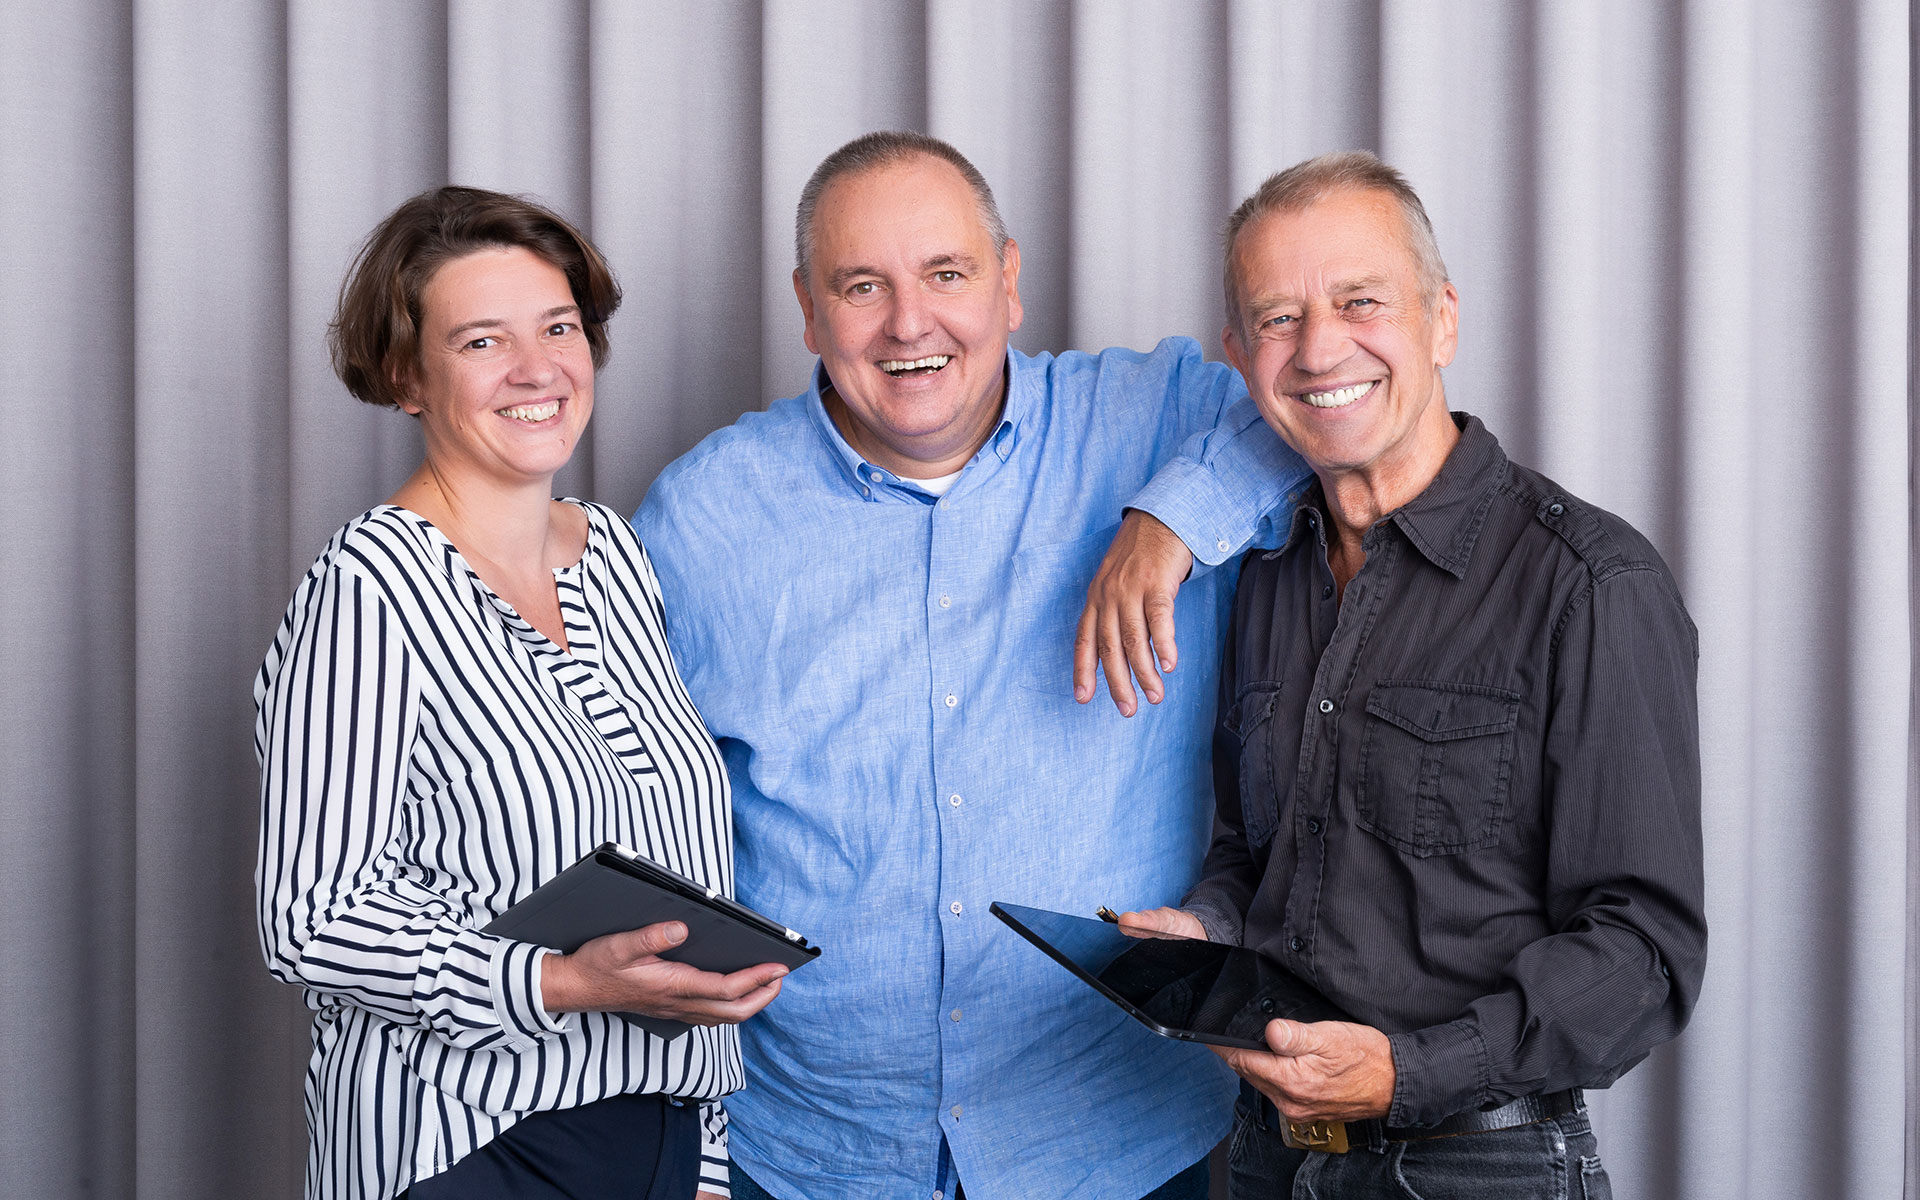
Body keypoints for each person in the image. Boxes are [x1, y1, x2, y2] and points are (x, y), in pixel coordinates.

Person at [634, 132, 1311, 1200]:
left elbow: (1321, 405)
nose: (911, 323)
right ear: (808, 310)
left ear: (1009, 283)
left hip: (1107, 1139)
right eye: (863, 286)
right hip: (809, 1149)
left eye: (946, 274)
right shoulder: (699, 515)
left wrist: (1169, 518)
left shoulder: (1159, 421)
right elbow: (621, 791)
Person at [1123, 151, 1708, 1198]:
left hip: (1480, 1167)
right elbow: (1253, 858)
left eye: (1360, 302)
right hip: (1266, 1162)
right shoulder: (1264, 579)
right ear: (1238, 357)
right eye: (1277, 319)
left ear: (1442, 321)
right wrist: (1206, 929)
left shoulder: (1589, 584)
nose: (1319, 349)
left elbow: (1646, 954)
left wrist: (1404, 1072)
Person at [255, 186, 787, 1200]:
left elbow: (679, 861)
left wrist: (706, 1158)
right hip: (468, 1145)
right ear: (408, 375)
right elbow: (310, 916)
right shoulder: (369, 585)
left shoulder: (616, 555)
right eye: (482, 342)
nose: (537, 369)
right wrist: (563, 981)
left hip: (659, 1140)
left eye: (558, 328)